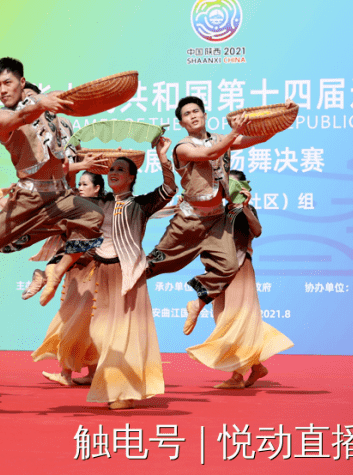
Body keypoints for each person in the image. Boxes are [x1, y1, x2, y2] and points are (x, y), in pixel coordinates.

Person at [0, 57, 104, 307]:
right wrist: (41, 103)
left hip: (59, 197)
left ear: (22, 82)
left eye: (7, 83)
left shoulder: (53, 117)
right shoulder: (1, 119)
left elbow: (64, 134)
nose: (2, 90)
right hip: (27, 199)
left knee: (93, 216)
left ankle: (53, 272)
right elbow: (21, 116)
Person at [145, 96, 280, 334]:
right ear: (181, 123)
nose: (193, 116)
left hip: (217, 219)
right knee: (154, 265)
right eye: (187, 114)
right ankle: (114, 286)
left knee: (228, 267)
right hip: (190, 220)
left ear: (205, 115)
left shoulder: (220, 139)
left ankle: (196, 303)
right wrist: (234, 133)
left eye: (196, 111)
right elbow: (210, 153)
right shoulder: (182, 147)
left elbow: (257, 138)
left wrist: (279, 122)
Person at [84, 136, 175, 410]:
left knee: (124, 332)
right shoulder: (101, 202)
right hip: (101, 271)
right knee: (99, 332)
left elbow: (170, 189)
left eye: (121, 170)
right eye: (111, 169)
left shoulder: (141, 204)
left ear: (133, 177)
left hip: (129, 275)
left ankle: (123, 391)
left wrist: (162, 158)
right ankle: (118, 382)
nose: (114, 173)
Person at [186, 170, 293, 389]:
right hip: (218, 270)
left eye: (234, 186)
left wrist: (244, 208)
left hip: (240, 267)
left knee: (237, 320)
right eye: (226, 186)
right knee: (223, 319)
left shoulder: (246, 209)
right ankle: (256, 366)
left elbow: (257, 231)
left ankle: (237, 376)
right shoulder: (215, 210)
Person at [30, 171, 104, 387]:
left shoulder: (98, 211)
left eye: (85, 184)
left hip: (89, 270)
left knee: (77, 322)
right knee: (80, 323)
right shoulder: (76, 209)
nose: (80, 187)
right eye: (79, 184)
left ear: (97, 188)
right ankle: (89, 372)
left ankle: (66, 374)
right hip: (73, 270)